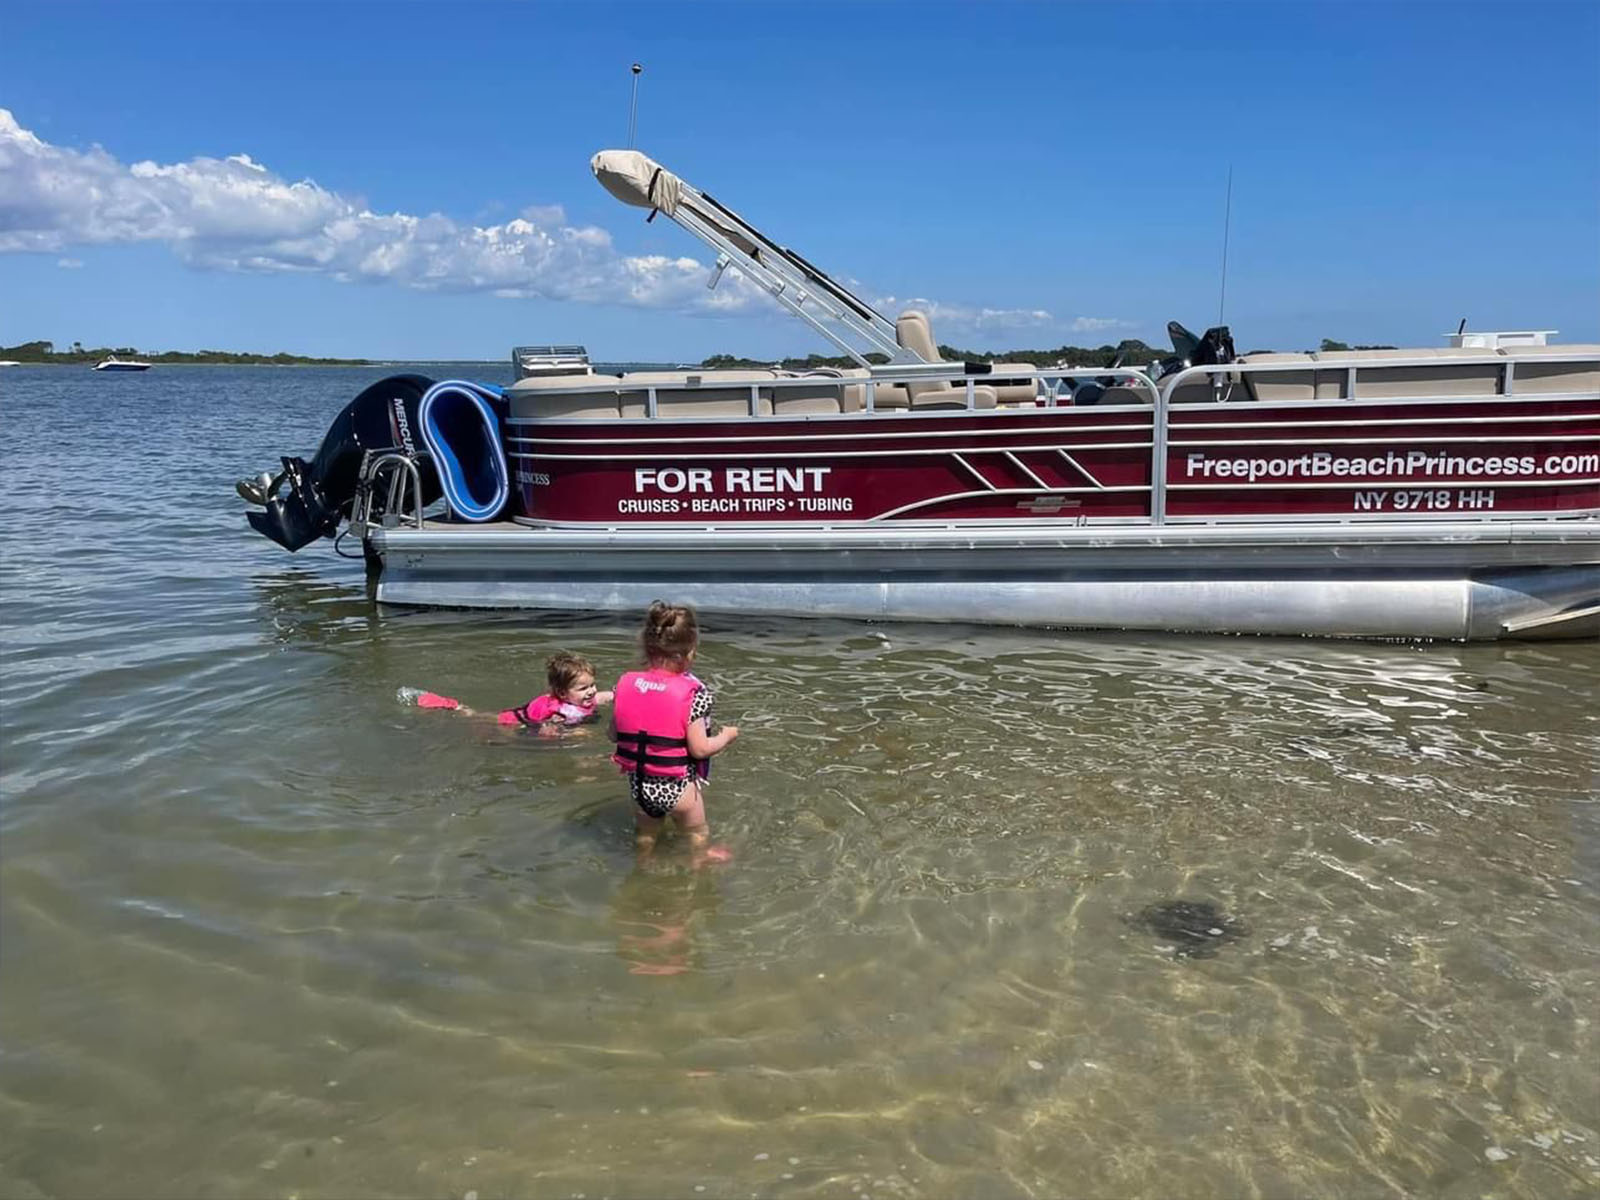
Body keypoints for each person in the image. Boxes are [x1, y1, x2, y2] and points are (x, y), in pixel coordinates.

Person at [612, 601, 738, 866]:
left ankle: (643, 863)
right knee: (697, 833)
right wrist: (727, 736)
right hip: (679, 791)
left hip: (640, 787)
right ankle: (698, 870)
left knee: (646, 834)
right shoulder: (696, 695)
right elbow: (700, 749)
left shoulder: (626, 685)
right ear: (690, 651)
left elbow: (614, 734)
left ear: (646, 647)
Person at [397, 651, 613, 729]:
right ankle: (454, 707)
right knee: (476, 718)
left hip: (523, 715)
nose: (592, 691)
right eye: (583, 688)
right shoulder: (558, 713)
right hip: (512, 722)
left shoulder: (582, 699)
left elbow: (603, 697)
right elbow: (549, 732)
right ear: (563, 694)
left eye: (592, 685)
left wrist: (619, 694)